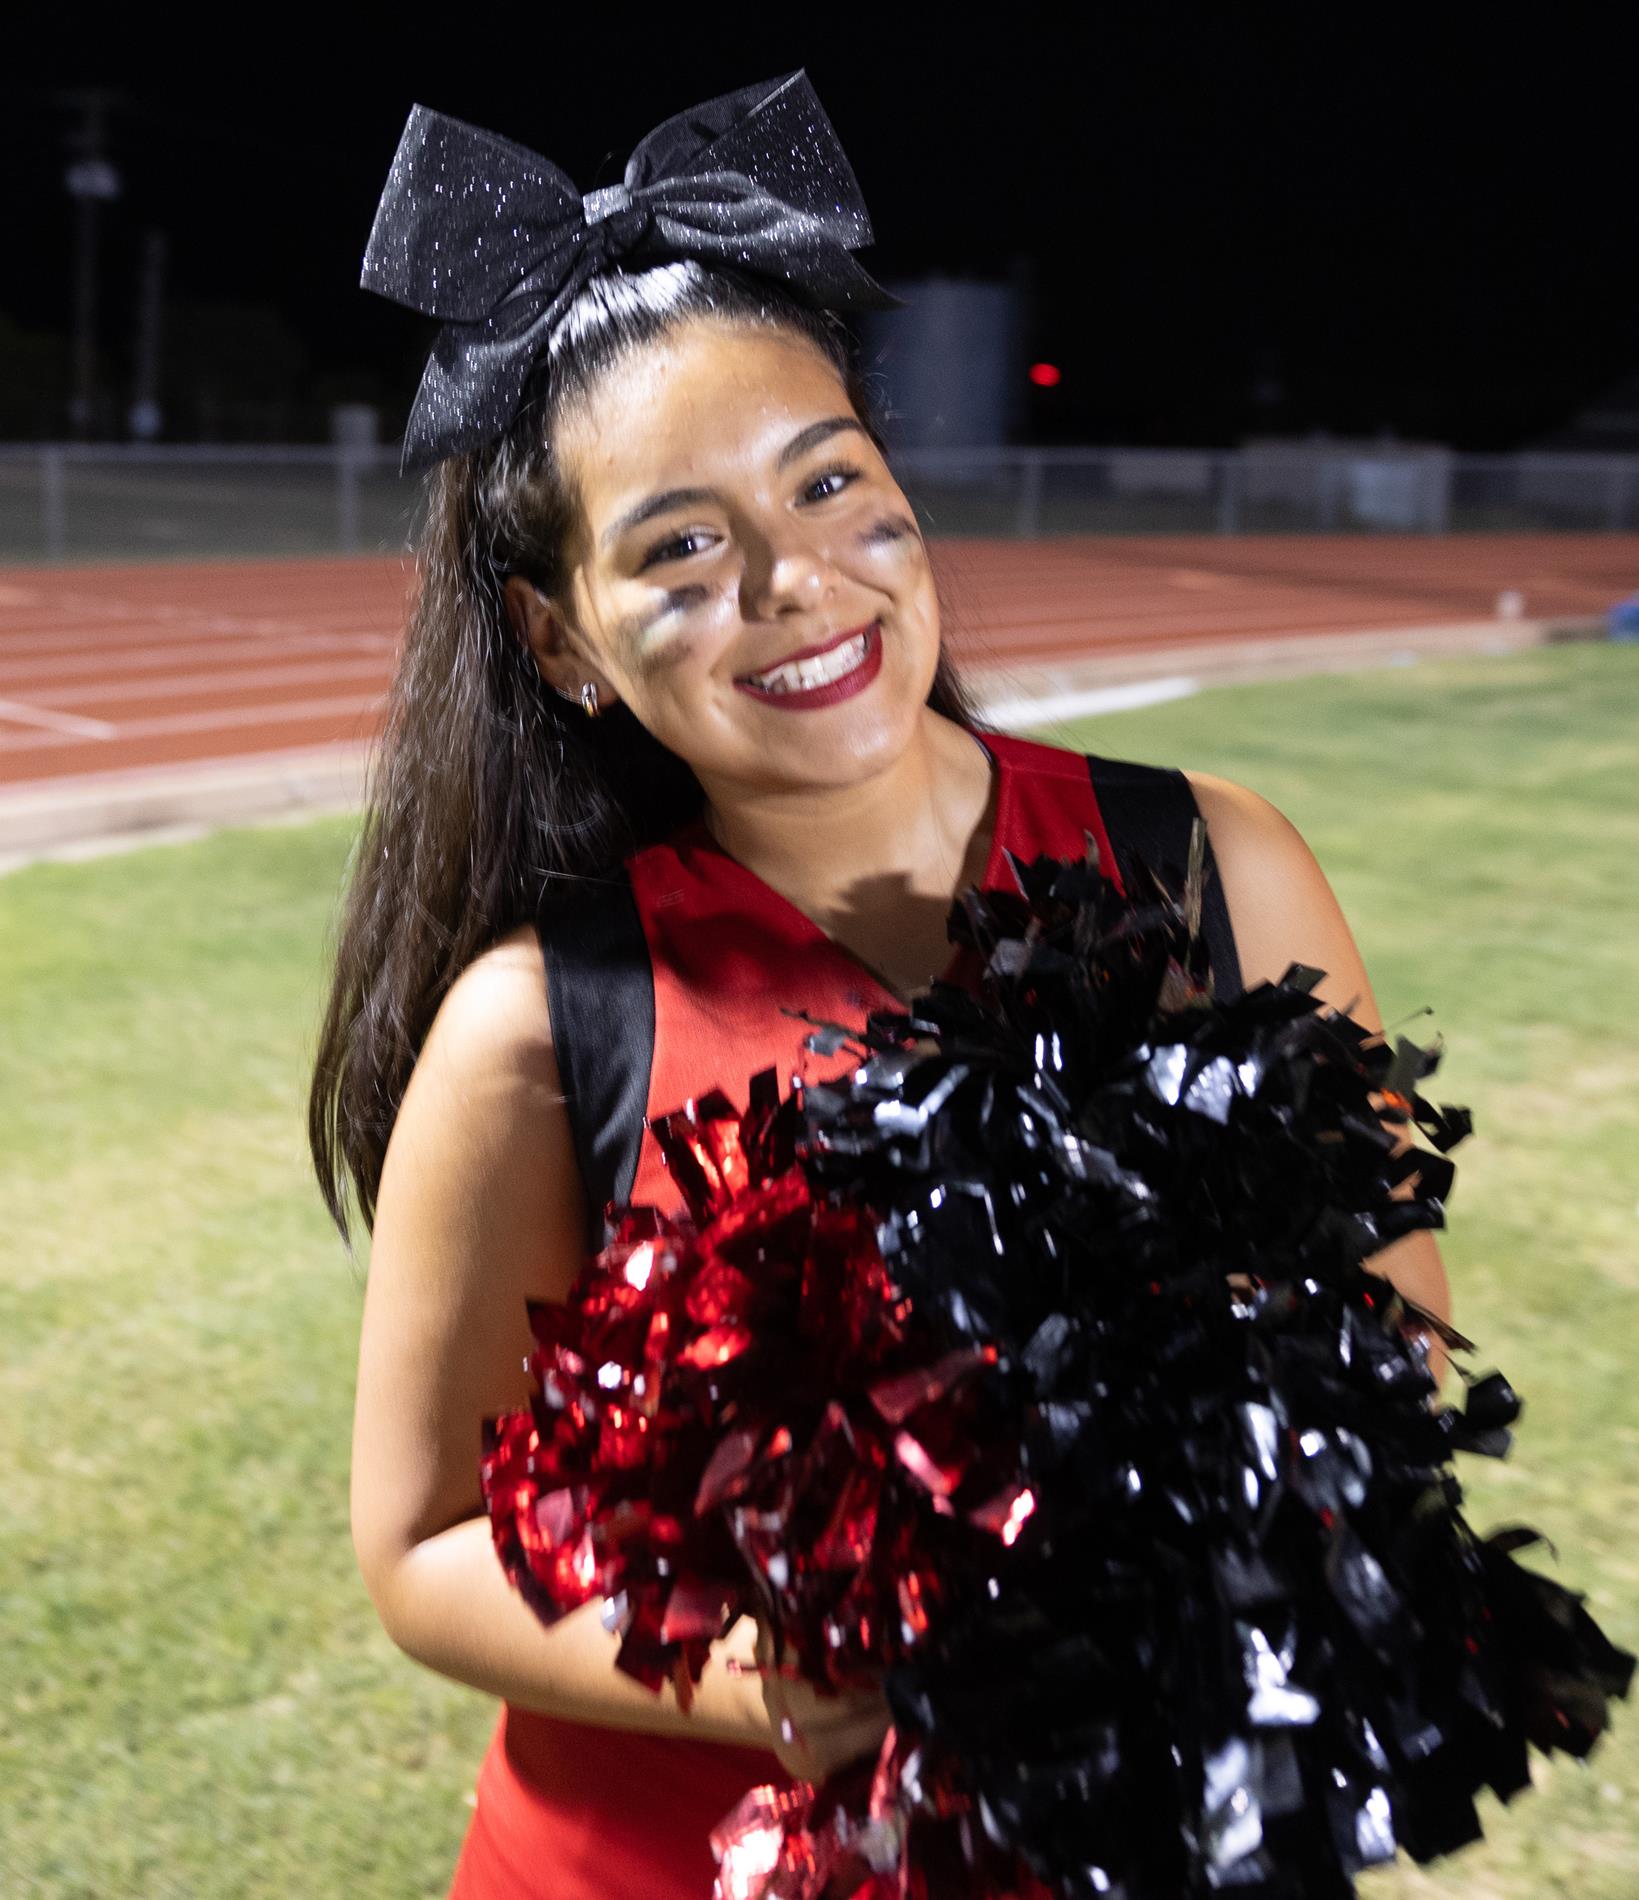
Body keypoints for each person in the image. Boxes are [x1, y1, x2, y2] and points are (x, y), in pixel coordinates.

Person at [309, 72, 1452, 1900]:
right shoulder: (540, 1028)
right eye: (679, 547)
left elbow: (1386, 1338)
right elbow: (423, 1546)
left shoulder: (1211, 863)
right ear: (562, 642)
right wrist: (797, 1670)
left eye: (832, 481)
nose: (797, 581)